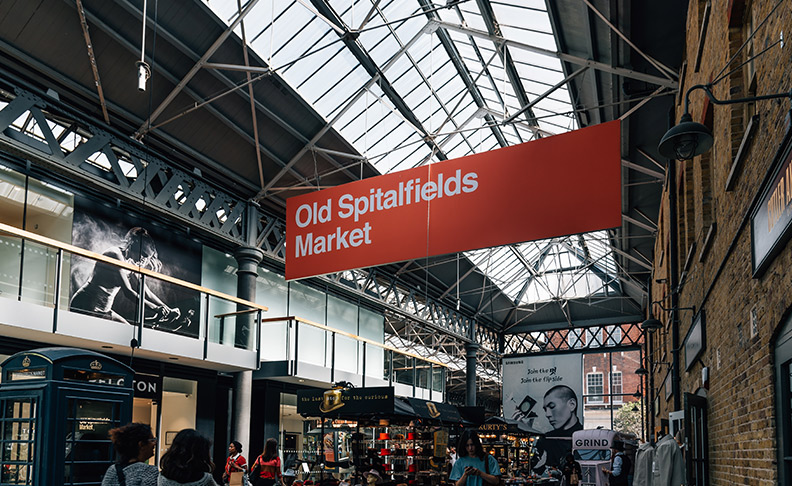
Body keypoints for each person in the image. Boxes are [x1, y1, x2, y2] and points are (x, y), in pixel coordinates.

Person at [70, 227, 179, 325]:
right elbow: (128, 292)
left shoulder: (131, 262)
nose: (143, 259)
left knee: (126, 331)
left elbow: (146, 292)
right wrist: (156, 308)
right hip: (86, 304)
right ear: (133, 246)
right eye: (143, 254)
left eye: (147, 257)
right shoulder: (115, 255)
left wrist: (167, 309)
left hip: (104, 309)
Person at [531, 385, 583, 474]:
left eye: (552, 406)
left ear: (572, 405)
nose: (547, 414)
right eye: (545, 409)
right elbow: (533, 468)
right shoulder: (545, 440)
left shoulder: (586, 437)